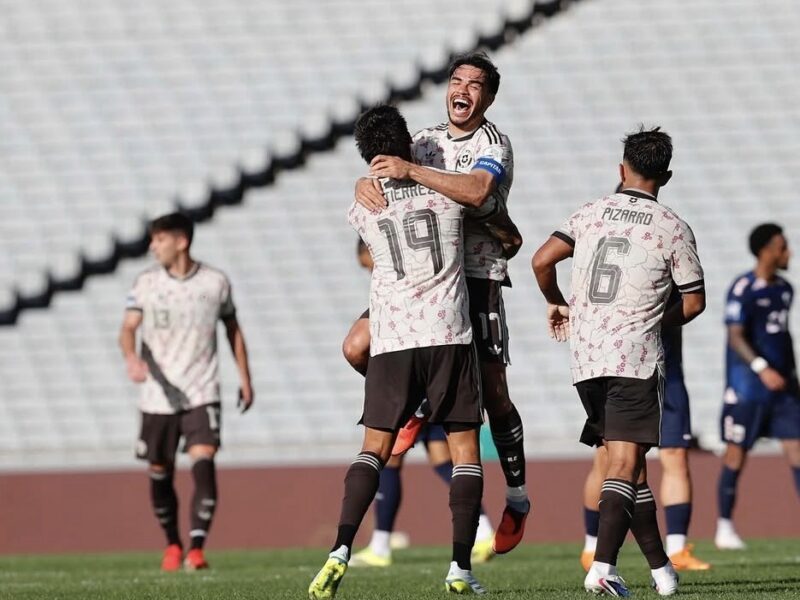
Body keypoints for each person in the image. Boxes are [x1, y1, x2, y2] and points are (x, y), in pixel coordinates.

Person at [309, 105, 521, 598]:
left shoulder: (361, 204)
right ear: (409, 142)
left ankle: (340, 549)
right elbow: (494, 220)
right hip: (448, 333)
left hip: (391, 338)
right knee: (465, 454)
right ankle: (459, 570)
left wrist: (369, 179)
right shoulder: (447, 191)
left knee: (373, 451)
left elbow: (373, 204)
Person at [346, 51, 530, 555]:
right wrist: (367, 182)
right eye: (456, 81)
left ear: (488, 98)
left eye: (475, 85)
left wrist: (413, 172)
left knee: (494, 393)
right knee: (356, 346)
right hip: (423, 282)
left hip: (476, 275)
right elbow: (386, 176)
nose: (463, 90)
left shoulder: (494, 143)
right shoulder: (424, 140)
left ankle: (517, 498)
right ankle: (420, 405)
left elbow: (476, 192)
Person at [532, 126, 706, 596]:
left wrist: (559, 301)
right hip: (634, 357)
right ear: (665, 176)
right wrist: (654, 319)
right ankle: (603, 567)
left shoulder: (590, 213)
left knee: (628, 466)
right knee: (624, 467)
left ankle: (661, 571)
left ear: (621, 169)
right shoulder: (672, 226)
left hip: (586, 358)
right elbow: (693, 303)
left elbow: (541, 260)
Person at [346, 240, 495, 568]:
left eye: (369, 264)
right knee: (448, 460)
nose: (371, 271)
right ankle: (483, 531)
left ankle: (381, 544)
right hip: (439, 363)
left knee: (391, 458)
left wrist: (387, 385)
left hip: (411, 370)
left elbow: (355, 347)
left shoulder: (398, 285)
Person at [118, 212, 254, 571]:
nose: (153, 246)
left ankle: (196, 547)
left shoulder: (214, 282)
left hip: (201, 389)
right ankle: (172, 544)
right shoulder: (146, 283)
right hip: (157, 395)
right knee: (160, 470)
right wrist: (131, 358)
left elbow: (233, 330)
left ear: (181, 241)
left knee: (204, 460)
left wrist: (245, 378)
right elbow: (128, 328)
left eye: (159, 239)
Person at [579, 295, 711, 571]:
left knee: (675, 454)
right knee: (607, 458)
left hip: (668, 372)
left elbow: (693, 300)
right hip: (624, 371)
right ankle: (591, 546)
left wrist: (659, 322)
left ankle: (677, 548)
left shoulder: (669, 254)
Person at [716, 223, 800, 549]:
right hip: (747, 388)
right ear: (765, 250)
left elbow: (784, 337)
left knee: (796, 450)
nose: (788, 252)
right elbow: (735, 336)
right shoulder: (742, 289)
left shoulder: (785, 290)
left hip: (783, 389)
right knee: (736, 455)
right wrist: (761, 368)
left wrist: (792, 375)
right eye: (782, 246)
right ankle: (724, 527)